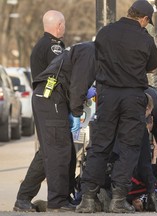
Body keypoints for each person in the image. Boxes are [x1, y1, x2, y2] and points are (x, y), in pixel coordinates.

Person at [76, 0, 157, 214]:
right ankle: (118, 199)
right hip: (133, 96)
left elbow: (97, 58)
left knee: (100, 145)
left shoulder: (105, 32)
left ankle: (87, 198)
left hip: (107, 94)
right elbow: (152, 66)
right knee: (129, 147)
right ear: (144, 19)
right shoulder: (146, 39)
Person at [30, 41, 96, 212]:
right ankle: (57, 202)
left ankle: (61, 198)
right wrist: (76, 112)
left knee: (64, 152)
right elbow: (78, 85)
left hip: (53, 97)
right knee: (59, 151)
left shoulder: (88, 50)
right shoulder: (90, 52)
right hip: (50, 97)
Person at [13, 10, 68, 212]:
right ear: (59, 25)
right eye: (64, 24)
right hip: (50, 102)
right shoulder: (53, 46)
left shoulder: (42, 44)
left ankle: (24, 197)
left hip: (45, 101)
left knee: (47, 151)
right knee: (54, 151)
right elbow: (63, 73)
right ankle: (41, 199)